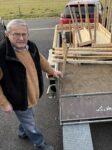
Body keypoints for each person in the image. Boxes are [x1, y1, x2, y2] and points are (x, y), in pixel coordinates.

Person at [0, 19, 62, 150]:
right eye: (16, 34)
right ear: (7, 34)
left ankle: (22, 132)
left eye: (24, 34)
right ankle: (39, 144)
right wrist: (4, 103)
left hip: (31, 94)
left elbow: (41, 60)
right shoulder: (2, 55)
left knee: (29, 117)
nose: (21, 38)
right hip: (18, 98)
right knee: (31, 124)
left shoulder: (31, 46)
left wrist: (52, 71)